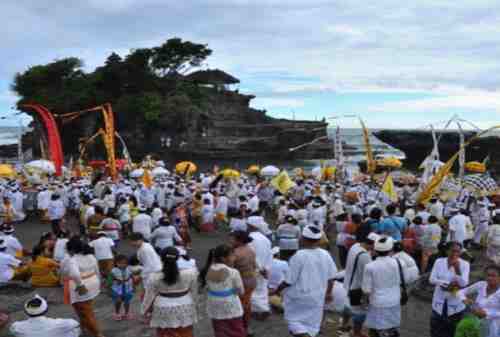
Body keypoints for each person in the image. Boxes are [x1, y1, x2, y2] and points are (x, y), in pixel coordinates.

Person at [275, 225, 337, 337]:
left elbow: (289, 281)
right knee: (312, 324)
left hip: (299, 297)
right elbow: (332, 277)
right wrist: (328, 293)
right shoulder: (325, 254)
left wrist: (276, 290)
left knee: (294, 321)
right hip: (317, 296)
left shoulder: (298, 256)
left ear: (303, 238)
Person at [142, 246, 198, 337]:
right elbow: (194, 292)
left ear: (161, 258)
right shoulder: (191, 273)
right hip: (185, 307)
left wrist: (144, 310)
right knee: (185, 333)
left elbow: (149, 296)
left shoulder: (154, 276)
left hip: (162, 308)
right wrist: (196, 307)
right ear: (178, 257)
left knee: (165, 334)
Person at [60, 236, 103, 337]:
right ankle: (85, 329)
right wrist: (99, 283)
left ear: (72, 249)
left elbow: (74, 274)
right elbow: (98, 271)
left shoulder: (73, 259)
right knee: (84, 310)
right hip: (93, 283)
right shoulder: (91, 256)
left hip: (81, 286)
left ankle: (98, 333)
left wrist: (80, 285)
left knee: (86, 312)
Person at [200, 244, 246, 337]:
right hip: (230, 303)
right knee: (235, 328)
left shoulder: (207, 269)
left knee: (220, 328)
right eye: (232, 255)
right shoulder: (233, 272)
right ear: (223, 258)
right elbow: (241, 291)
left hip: (214, 303)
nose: (235, 257)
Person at [362, 236, 403, 337]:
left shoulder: (370, 266)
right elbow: (403, 280)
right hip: (394, 300)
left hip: (377, 302)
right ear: (391, 250)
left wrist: (365, 302)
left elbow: (366, 290)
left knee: (376, 329)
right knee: (391, 327)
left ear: (375, 250)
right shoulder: (399, 262)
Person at [429, 241, 470, 337]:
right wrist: (446, 285)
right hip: (439, 301)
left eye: (458, 252)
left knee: (452, 331)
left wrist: (457, 269)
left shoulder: (465, 264)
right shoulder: (439, 261)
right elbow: (432, 279)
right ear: (447, 251)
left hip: (455, 303)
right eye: (453, 251)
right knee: (436, 330)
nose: (455, 254)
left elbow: (464, 283)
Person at [344, 229, 378, 337]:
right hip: (357, 288)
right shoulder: (365, 256)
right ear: (372, 244)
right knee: (361, 313)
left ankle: (344, 324)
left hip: (348, 282)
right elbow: (369, 275)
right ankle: (356, 333)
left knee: (348, 306)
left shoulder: (355, 246)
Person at [10, 294, 81, 337]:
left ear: (26, 312)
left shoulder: (17, 326)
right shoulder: (58, 323)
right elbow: (75, 323)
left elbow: (12, 330)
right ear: (46, 310)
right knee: (75, 330)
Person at [458, 265, 500, 337]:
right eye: (488, 275)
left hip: (495, 326)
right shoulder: (481, 285)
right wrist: (465, 299)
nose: (489, 278)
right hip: (476, 324)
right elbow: (460, 292)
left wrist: (487, 314)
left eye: (493, 276)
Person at [229, 230, 257, 333]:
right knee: (246, 303)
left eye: (232, 238)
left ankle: (243, 327)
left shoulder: (235, 253)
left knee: (240, 305)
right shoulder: (250, 250)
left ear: (239, 240)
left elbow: (230, 270)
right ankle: (245, 326)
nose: (230, 240)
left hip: (241, 281)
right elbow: (254, 266)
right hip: (251, 280)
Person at [247, 216, 273, 320]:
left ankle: (257, 311)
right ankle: (264, 309)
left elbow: (251, 255)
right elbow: (269, 255)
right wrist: (266, 269)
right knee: (262, 289)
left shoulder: (250, 239)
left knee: (252, 290)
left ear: (250, 225)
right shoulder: (266, 239)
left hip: (255, 268)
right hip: (265, 269)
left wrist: (260, 268)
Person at [110, 254, 134, 321]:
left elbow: (132, 277)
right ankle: (117, 313)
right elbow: (110, 279)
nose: (122, 265)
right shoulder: (113, 270)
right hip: (117, 289)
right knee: (118, 301)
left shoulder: (129, 269)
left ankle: (127, 313)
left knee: (127, 302)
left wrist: (134, 286)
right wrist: (110, 285)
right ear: (116, 263)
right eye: (120, 263)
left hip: (128, 289)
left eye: (124, 263)